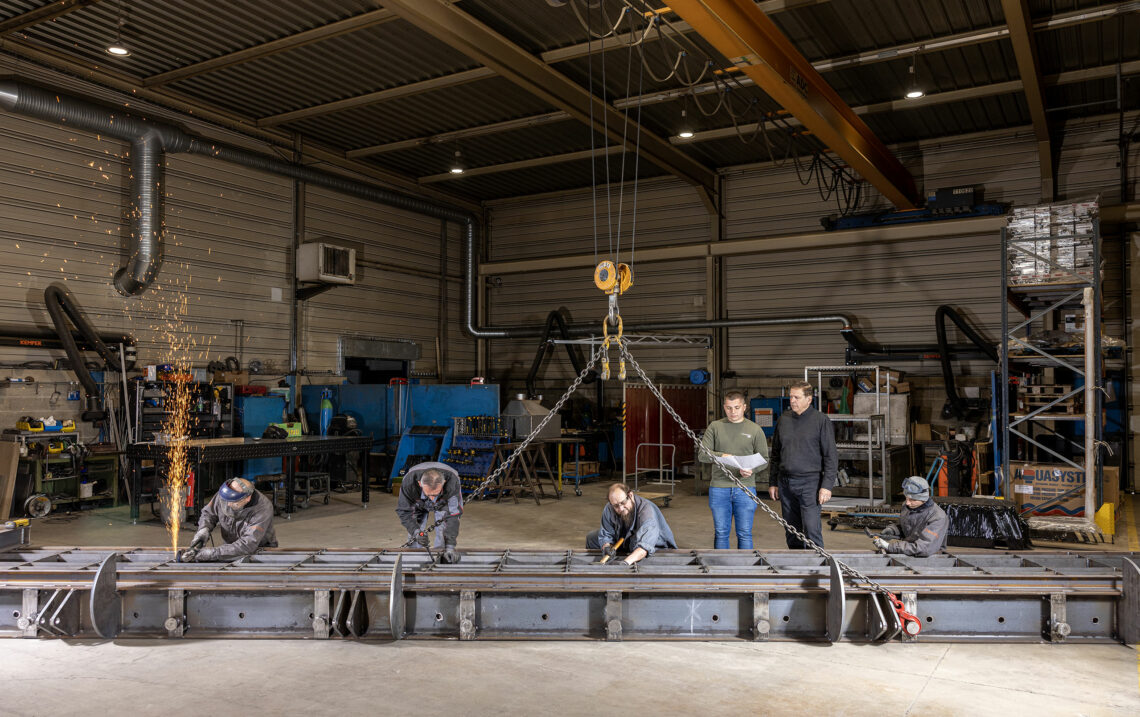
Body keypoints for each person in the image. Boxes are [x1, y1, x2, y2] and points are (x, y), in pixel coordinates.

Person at [767, 380, 838, 549]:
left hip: (810, 484)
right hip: (785, 483)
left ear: (809, 399)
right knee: (791, 530)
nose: (792, 401)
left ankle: (818, 568)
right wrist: (773, 482)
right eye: (791, 397)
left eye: (796, 397)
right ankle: (797, 566)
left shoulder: (821, 421)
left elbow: (831, 456)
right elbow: (776, 454)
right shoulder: (784, 420)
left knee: (812, 529)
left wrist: (827, 486)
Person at [698, 390, 769, 549]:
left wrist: (752, 470)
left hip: (745, 487)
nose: (733, 412)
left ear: (744, 407)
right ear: (724, 407)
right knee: (721, 532)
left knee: (744, 533)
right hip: (719, 488)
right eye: (729, 408)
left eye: (737, 407)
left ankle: (745, 571)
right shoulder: (715, 427)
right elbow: (702, 455)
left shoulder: (755, 429)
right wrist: (722, 455)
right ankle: (722, 570)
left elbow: (765, 459)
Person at [184, 478, 277, 562]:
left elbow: (248, 544)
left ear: (247, 498)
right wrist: (203, 529)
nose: (228, 504)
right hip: (229, 549)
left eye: (233, 501)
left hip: (259, 550)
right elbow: (208, 513)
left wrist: (213, 553)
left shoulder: (263, 508)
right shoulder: (225, 494)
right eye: (226, 500)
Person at [586, 483, 677, 565]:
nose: (621, 508)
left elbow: (644, 547)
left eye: (623, 503)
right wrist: (606, 547)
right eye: (616, 506)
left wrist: (625, 563)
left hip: (652, 545)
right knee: (592, 538)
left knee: (637, 547)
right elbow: (606, 533)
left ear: (630, 495)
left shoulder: (647, 511)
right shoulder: (609, 508)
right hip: (625, 540)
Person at [396, 461, 463, 564]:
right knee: (414, 536)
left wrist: (450, 546)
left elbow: (453, 516)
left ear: (443, 482)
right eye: (429, 495)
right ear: (419, 483)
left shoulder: (451, 483)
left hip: (443, 500)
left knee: (443, 530)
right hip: (418, 500)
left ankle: (442, 559)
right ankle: (414, 561)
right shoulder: (409, 483)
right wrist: (416, 532)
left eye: (435, 494)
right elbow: (404, 511)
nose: (432, 499)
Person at [871, 476, 949, 557]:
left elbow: (923, 548)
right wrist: (893, 530)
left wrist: (889, 547)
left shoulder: (938, 517)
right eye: (906, 498)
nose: (907, 503)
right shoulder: (908, 506)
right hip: (908, 551)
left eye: (912, 500)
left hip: (929, 557)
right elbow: (907, 525)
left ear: (924, 499)